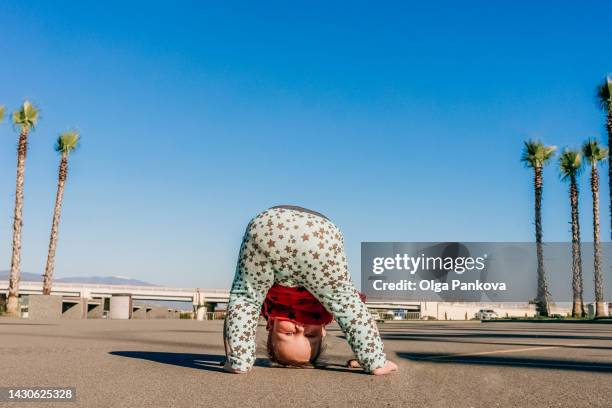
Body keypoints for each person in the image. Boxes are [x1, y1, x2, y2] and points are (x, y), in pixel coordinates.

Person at [223, 205, 398, 375]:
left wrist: (237, 359)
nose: (300, 328)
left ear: (270, 324)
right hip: (316, 234)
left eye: (289, 333)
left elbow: (244, 305)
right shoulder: (326, 311)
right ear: (323, 329)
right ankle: (373, 360)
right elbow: (353, 313)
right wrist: (372, 360)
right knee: (245, 296)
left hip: (272, 226)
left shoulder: (268, 307)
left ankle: (240, 360)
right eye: (310, 335)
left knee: (246, 296)